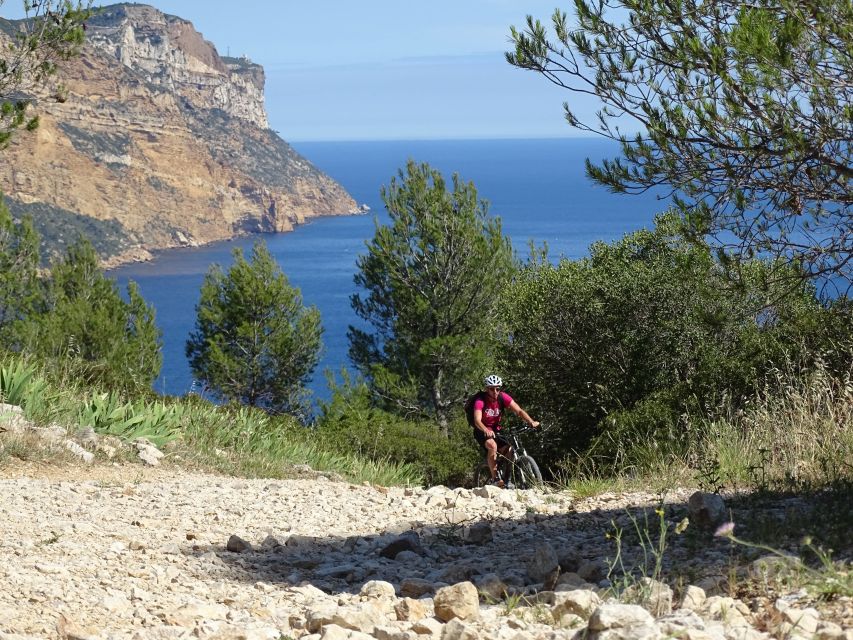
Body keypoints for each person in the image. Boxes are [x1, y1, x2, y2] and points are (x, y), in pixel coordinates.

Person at [472, 374, 539, 487]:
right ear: (486, 389)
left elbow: (519, 411)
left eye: (497, 388)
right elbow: (477, 420)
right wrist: (485, 430)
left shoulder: (503, 397)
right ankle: (495, 479)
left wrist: (531, 421)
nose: (495, 391)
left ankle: (507, 480)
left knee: (509, 450)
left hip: (496, 429)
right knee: (492, 446)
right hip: (481, 429)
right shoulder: (480, 401)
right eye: (491, 389)